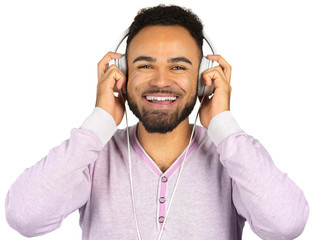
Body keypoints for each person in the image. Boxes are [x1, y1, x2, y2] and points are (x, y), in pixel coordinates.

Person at [5, 4, 309, 240]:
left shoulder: (232, 158)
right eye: (144, 65)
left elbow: (287, 225)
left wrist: (223, 124)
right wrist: (99, 122)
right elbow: (24, 217)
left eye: (178, 66)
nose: (160, 81)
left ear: (204, 79)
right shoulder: (92, 155)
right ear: (121, 75)